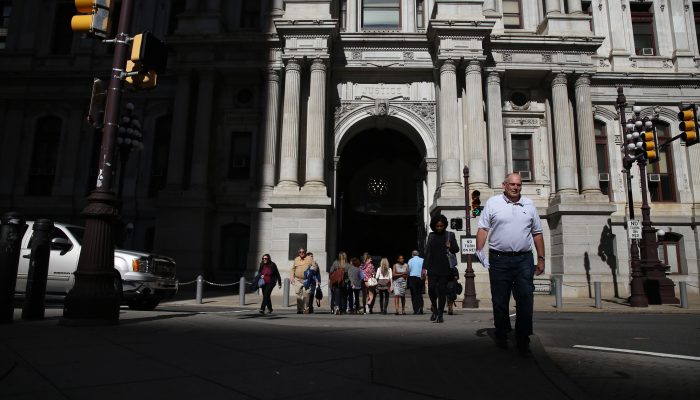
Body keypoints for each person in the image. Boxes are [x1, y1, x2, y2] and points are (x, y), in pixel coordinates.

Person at [476, 172, 545, 355]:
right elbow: (483, 228)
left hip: (524, 259)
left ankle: (523, 339)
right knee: (500, 300)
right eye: (512, 184)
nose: (516, 188)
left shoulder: (529, 204)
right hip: (499, 259)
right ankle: (501, 333)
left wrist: (541, 258)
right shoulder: (493, 203)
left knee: (525, 299)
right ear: (504, 185)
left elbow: (537, 233)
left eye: (519, 185)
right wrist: (479, 250)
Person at [424, 214, 458, 323]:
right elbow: (427, 252)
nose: (439, 228)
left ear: (444, 225)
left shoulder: (450, 235)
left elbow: (456, 249)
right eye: (437, 226)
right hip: (432, 267)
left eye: (441, 226)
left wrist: (450, 246)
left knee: (442, 291)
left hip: (445, 267)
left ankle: (440, 314)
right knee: (431, 289)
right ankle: (434, 307)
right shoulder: (431, 236)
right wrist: (424, 268)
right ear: (434, 226)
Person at [290, 247, 313, 314]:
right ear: (298, 253)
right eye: (300, 252)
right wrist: (292, 277)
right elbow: (293, 269)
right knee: (298, 295)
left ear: (305, 252)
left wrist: (311, 272)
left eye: (303, 252)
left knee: (306, 294)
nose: (301, 253)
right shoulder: (296, 259)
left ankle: (306, 308)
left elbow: (315, 266)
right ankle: (299, 309)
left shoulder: (309, 258)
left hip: (306, 280)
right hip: (297, 279)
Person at [407, 250, 425, 314]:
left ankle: (415, 309)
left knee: (414, 294)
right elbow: (424, 269)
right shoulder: (422, 260)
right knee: (419, 293)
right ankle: (421, 307)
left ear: (412, 254)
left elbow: (408, 270)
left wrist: (408, 276)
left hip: (413, 278)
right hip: (420, 278)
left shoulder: (410, 260)